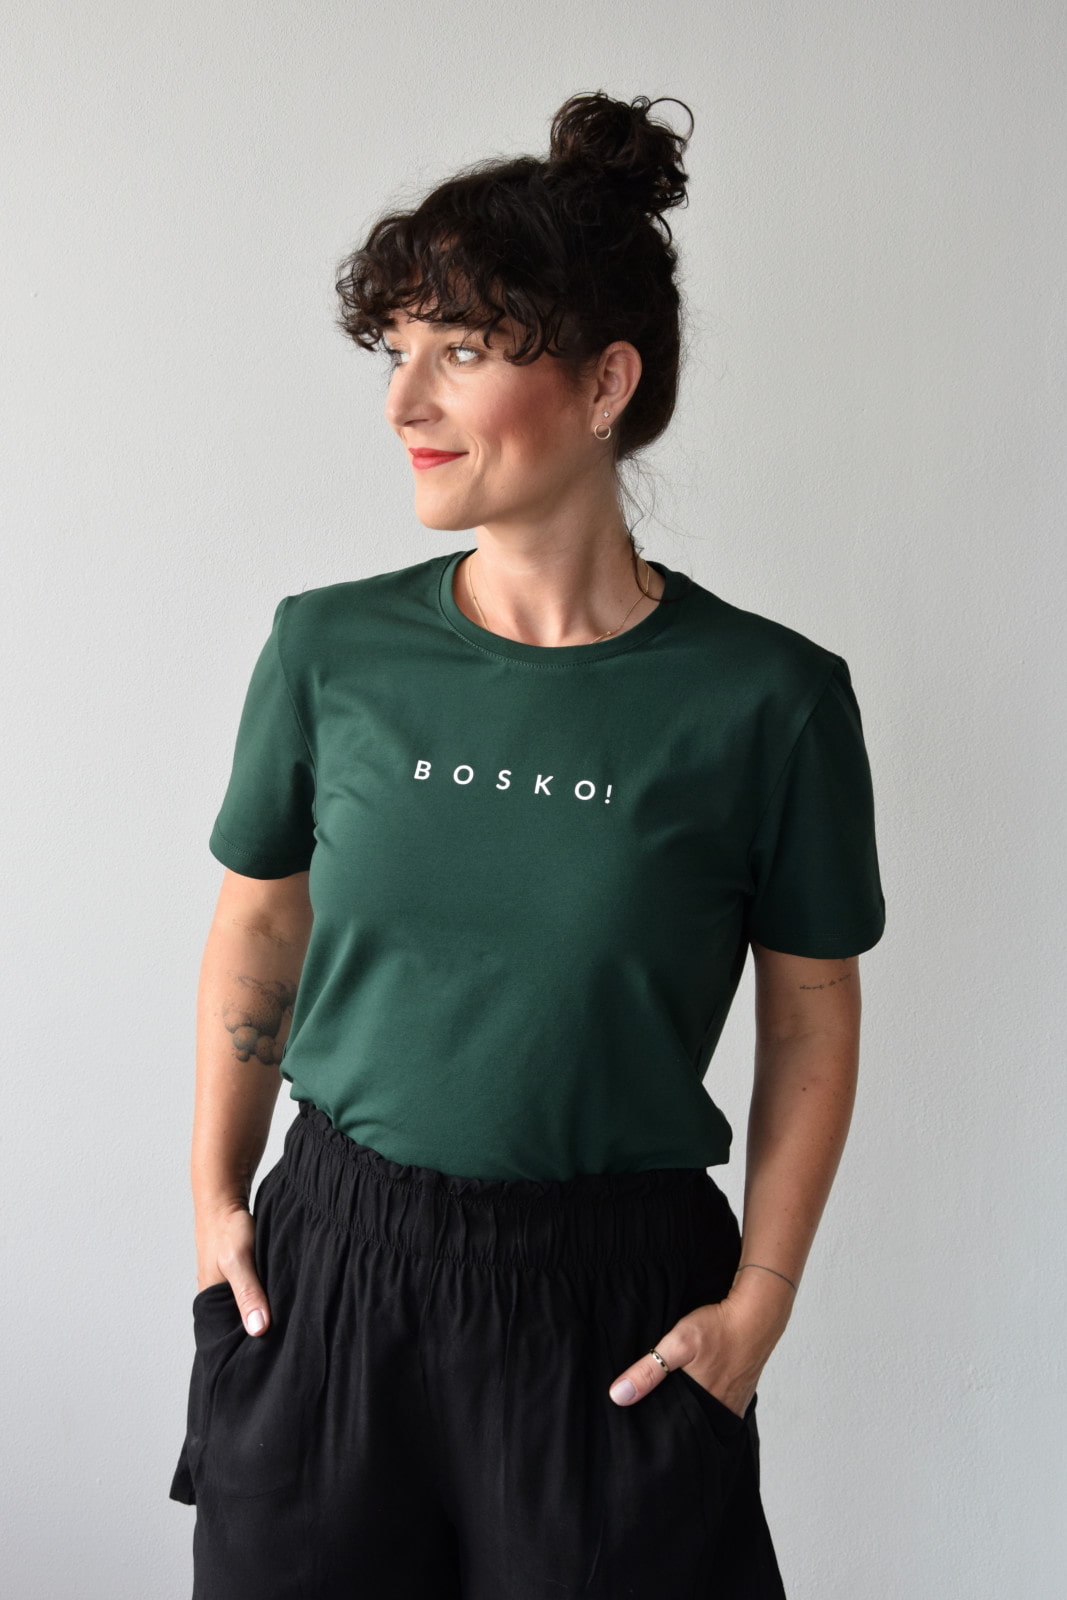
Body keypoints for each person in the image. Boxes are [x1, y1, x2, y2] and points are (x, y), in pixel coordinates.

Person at [168, 89, 885, 1599]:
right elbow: (262, 921)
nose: (403, 405)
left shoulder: (769, 701)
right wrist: (216, 1196)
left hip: (610, 1308)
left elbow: (813, 1009)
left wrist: (762, 1299)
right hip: (331, 1270)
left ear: (607, 380)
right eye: (396, 352)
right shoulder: (326, 651)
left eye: (463, 351)